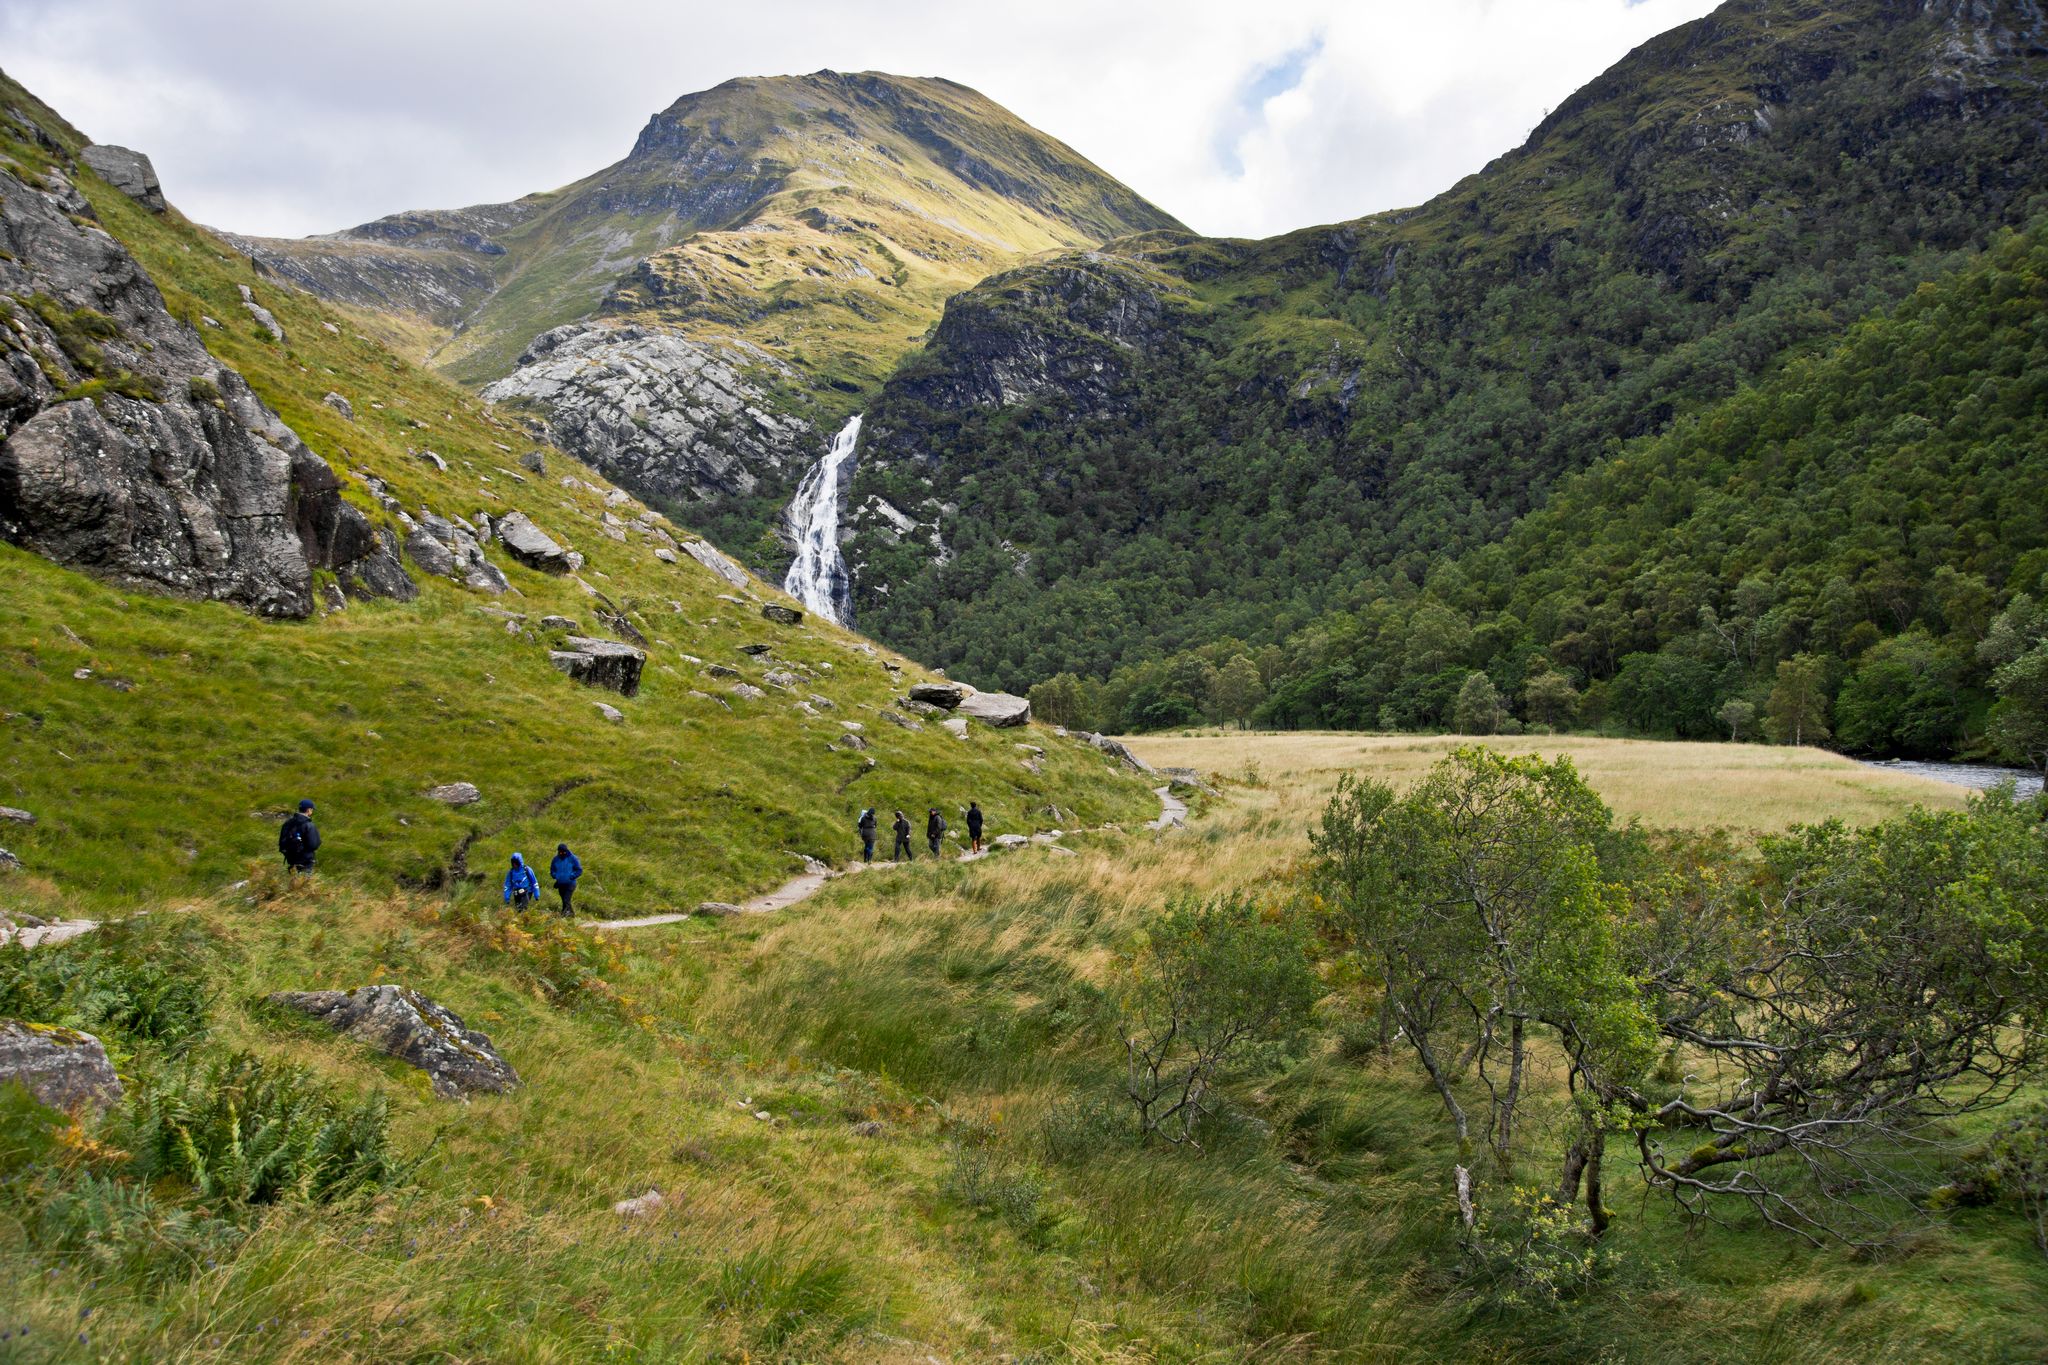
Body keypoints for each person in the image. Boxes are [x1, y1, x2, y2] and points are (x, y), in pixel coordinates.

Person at [278, 799, 320, 874]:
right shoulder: (309, 825)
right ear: (308, 810)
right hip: (305, 861)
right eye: (312, 809)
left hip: (291, 860)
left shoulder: (288, 823)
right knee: (304, 883)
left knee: (293, 881)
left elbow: (282, 843)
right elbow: (313, 845)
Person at [549, 843, 583, 918]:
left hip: (570, 883)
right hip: (560, 883)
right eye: (560, 852)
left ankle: (564, 915)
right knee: (564, 900)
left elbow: (579, 870)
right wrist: (555, 875)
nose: (562, 853)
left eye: (563, 852)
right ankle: (571, 915)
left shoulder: (573, 858)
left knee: (566, 899)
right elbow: (552, 870)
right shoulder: (555, 859)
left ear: (566, 851)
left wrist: (571, 876)